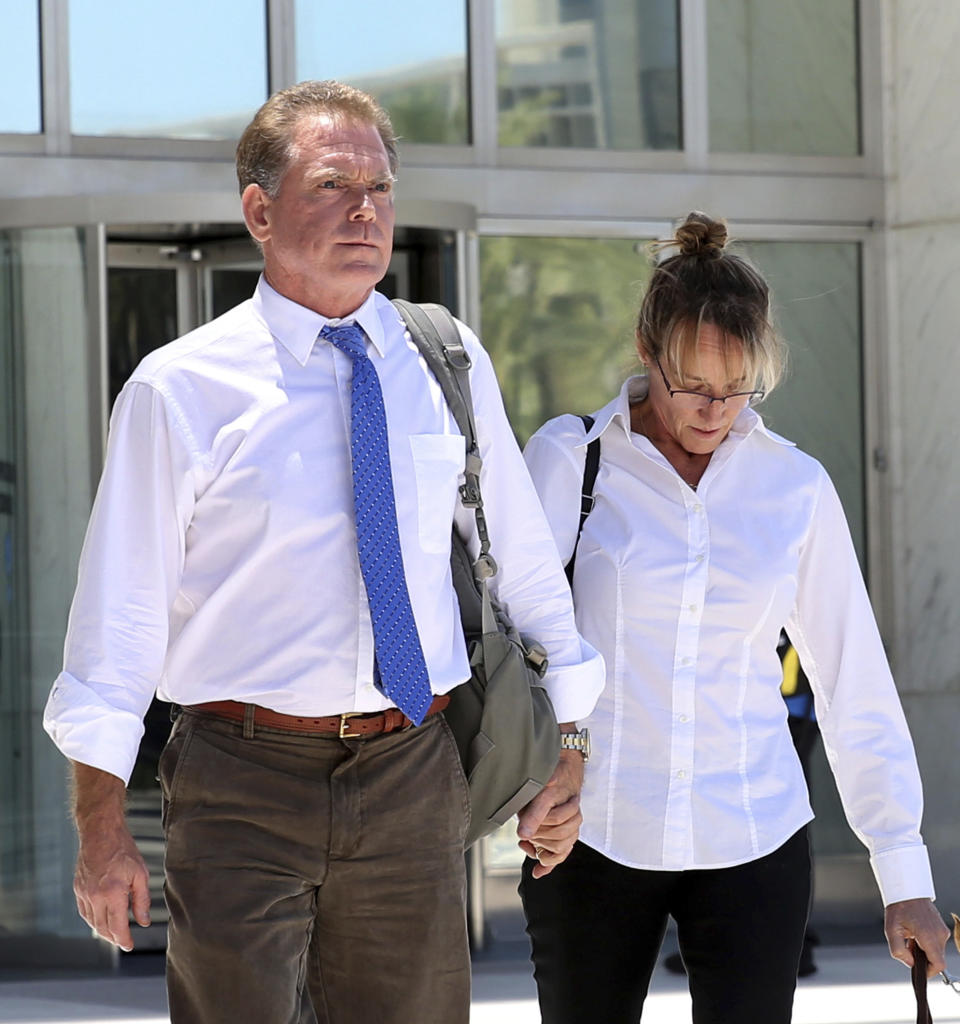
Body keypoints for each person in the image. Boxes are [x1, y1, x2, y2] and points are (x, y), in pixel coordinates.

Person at [43, 80, 603, 1024]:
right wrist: (101, 828)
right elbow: (117, 620)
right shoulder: (180, 389)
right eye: (334, 184)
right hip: (239, 776)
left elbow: (525, 564)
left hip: (412, 769)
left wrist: (571, 744)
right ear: (259, 211)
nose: (365, 209)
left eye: (381, 187)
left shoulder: (444, 359)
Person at [518, 212, 949, 1024]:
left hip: (753, 831)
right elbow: (522, 643)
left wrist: (904, 876)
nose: (716, 410)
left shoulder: (793, 487)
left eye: (738, 388)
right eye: (693, 386)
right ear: (648, 353)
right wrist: (539, 773)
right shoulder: (570, 460)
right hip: (595, 833)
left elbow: (852, 679)